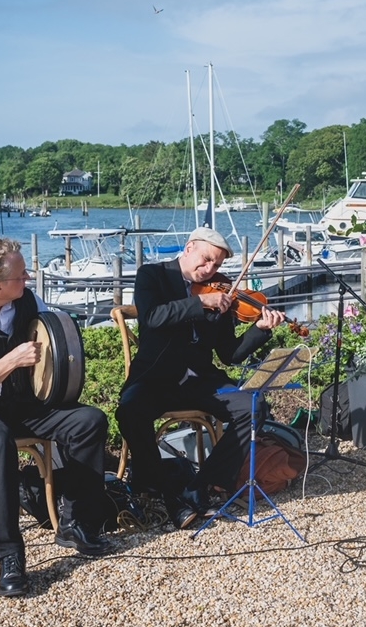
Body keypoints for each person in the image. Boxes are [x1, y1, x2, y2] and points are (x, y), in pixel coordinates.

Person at [0, 237, 113, 598]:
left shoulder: (28, 302)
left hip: (23, 404)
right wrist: (8, 362)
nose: (28, 278)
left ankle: (75, 521)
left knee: (89, 421)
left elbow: (53, 332)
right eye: (21, 274)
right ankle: (10, 556)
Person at [115, 226, 286, 529]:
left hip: (200, 382)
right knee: (129, 410)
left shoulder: (220, 291)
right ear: (190, 246)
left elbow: (229, 354)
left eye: (217, 265)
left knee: (253, 407)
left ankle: (200, 485)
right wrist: (200, 303)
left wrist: (260, 330)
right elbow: (152, 317)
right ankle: (171, 497)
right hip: (156, 378)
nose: (210, 270)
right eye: (207, 260)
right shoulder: (152, 275)